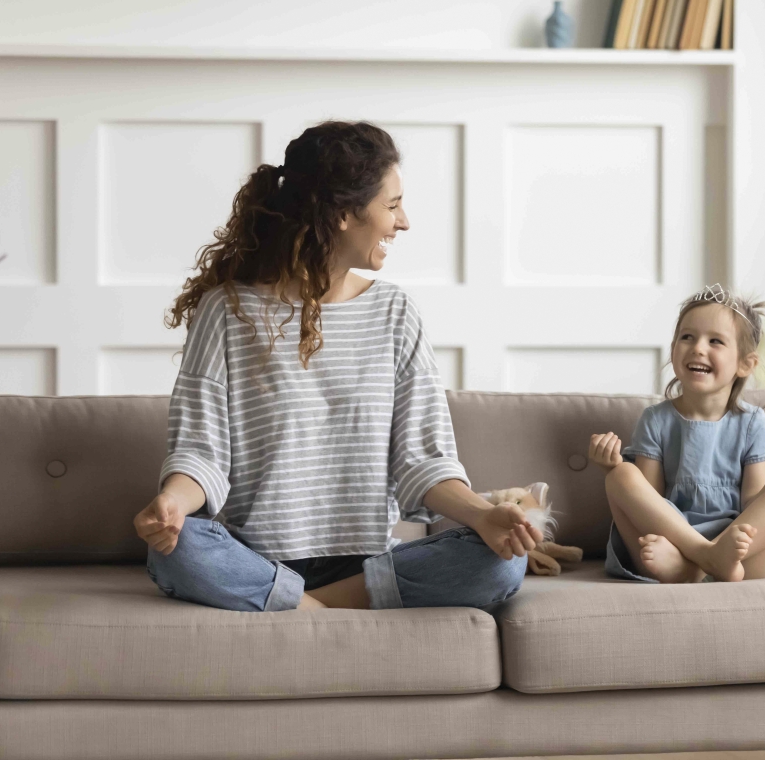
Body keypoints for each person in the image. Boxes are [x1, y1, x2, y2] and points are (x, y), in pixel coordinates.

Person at [132, 121, 540, 612]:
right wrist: (173, 504)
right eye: (392, 205)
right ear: (344, 213)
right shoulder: (226, 311)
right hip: (256, 558)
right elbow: (202, 454)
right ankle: (328, 607)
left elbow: (423, 463)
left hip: (363, 563)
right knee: (176, 551)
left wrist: (482, 516)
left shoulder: (395, 313)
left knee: (502, 562)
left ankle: (298, 607)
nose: (403, 222)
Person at [588, 284, 765, 583]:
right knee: (620, 475)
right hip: (670, 544)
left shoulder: (752, 423)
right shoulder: (656, 420)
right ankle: (704, 557)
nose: (698, 348)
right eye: (687, 337)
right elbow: (651, 501)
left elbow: (753, 507)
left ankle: (696, 568)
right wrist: (610, 465)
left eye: (715, 341)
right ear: (673, 349)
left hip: (739, 555)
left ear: (745, 363)